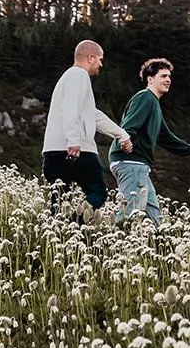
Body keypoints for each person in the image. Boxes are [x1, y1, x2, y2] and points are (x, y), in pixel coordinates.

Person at [41, 40, 131, 221]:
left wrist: (120, 134)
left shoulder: (67, 78)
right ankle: (75, 224)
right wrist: (74, 140)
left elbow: (93, 115)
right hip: (78, 150)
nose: (101, 64)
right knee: (98, 192)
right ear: (90, 58)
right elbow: (70, 107)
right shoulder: (78, 75)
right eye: (99, 59)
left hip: (52, 151)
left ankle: (59, 232)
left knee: (58, 201)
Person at [109, 58, 190, 225]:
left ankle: (160, 246)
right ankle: (108, 246)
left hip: (138, 165)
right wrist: (125, 139)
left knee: (155, 217)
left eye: (169, 77)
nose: (168, 80)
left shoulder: (154, 103)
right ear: (150, 79)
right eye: (163, 76)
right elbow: (129, 125)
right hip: (131, 161)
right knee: (130, 212)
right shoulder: (145, 98)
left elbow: (166, 138)